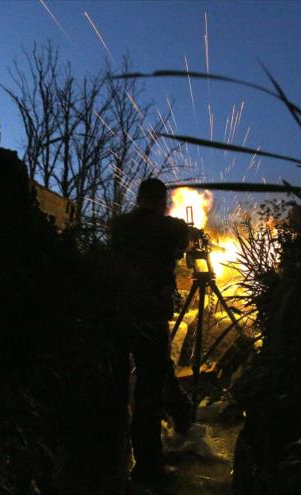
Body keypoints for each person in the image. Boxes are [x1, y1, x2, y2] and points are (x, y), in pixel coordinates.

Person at [109, 178, 194, 486]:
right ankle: (148, 468)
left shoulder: (118, 225)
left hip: (117, 316)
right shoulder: (170, 228)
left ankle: (114, 457)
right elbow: (180, 238)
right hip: (149, 318)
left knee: (119, 388)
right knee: (148, 393)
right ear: (161, 202)